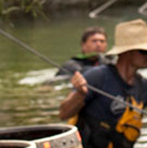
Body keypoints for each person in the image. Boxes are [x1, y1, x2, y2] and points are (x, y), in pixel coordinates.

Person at [59, 19, 147, 148]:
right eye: (144, 52)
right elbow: (63, 114)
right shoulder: (98, 76)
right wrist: (80, 94)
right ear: (127, 52)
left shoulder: (143, 86)